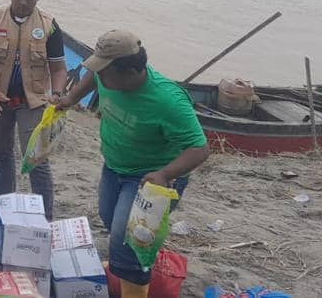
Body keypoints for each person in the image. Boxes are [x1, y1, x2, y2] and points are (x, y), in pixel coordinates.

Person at [55, 30, 209, 298]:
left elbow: (200, 148)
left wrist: (164, 174)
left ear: (130, 72)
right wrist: (70, 98)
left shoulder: (168, 101)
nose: (100, 76)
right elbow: (92, 77)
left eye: (105, 72)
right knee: (110, 218)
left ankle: (133, 276)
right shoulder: (107, 76)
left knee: (127, 241)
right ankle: (136, 264)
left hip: (151, 178)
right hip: (114, 167)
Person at [0, 0, 67, 220]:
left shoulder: (49, 25)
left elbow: (58, 68)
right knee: (2, 156)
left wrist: (57, 94)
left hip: (33, 102)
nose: (23, 3)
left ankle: (45, 218)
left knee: (36, 161)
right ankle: (4, 210)